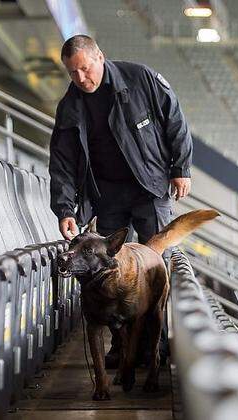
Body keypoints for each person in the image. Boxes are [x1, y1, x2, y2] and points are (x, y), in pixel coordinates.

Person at [49, 34, 193, 366]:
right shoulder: (70, 107)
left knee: (156, 268)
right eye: (73, 73)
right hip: (107, 197)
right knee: (111, 275)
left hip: (149, 189)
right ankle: (122, 347)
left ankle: (155, 349)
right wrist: (65, 209)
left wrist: (180, 167)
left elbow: (176, 121)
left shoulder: (140, 78)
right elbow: (62, 163)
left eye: (85, 69)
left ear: (99, 57)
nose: (82, 79)